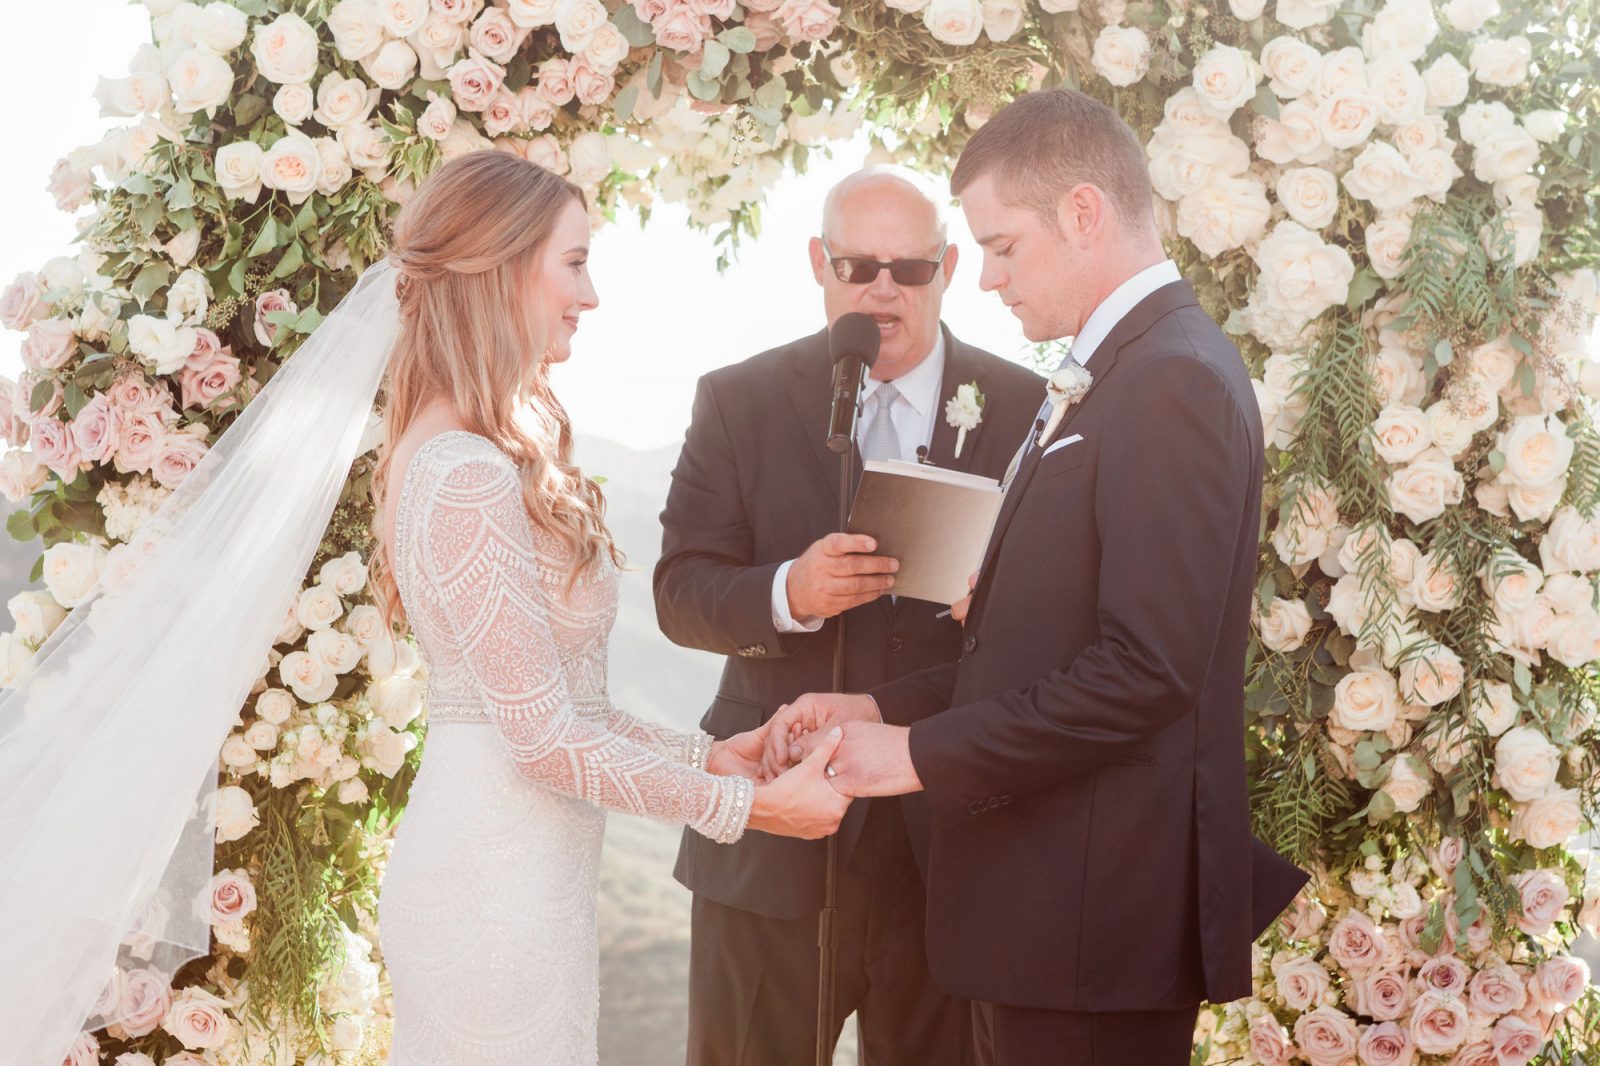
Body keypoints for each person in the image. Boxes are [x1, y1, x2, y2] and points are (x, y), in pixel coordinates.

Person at [0, 151, 846, 1066]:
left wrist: (714, 755)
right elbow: (544, 741)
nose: (590, 294)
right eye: (574, 261)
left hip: (527, 881)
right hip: (490, 895)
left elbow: (570, 708)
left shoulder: (470, 452)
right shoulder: (464, 474)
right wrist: (744, 809)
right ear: (502, 267)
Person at [768, 91, 1307, 1065]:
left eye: (1003, 246)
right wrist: (871, 707)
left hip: (1093, 930)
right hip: (1043, 928)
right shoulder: (1115, 375)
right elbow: (1037, 643)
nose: (988, 281)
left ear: (1085, 214)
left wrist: (918, 754)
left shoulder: (1171, 378)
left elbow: (1145, 670)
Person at [655, 167, 1045, 1065]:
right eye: (857, 265)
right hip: (773, 831)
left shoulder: (1025, 406)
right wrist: (787, 592)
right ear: (817, 265)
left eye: (909, 270)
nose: (881, 289)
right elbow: (679, 591)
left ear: (948, 268)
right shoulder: (737, 398)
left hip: (952, 832)